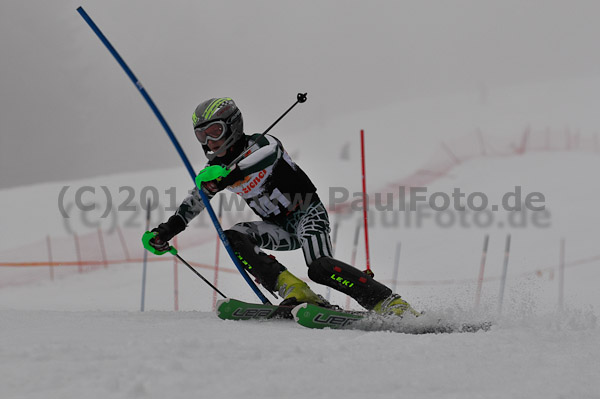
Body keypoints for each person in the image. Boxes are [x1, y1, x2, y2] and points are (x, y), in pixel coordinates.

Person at [142, 97, 418, 316]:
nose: (210, 142)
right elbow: (192, 204)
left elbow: (268, 155)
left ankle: (389, 303)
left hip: (308, 214)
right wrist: (166, 232)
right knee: (234, 237)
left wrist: (228, 177)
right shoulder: (214, 170)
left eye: (215, 132)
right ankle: (295, 290)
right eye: (202, 136)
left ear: (233, 126)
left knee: (319, 267)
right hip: (277, 228)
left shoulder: (260, 144)